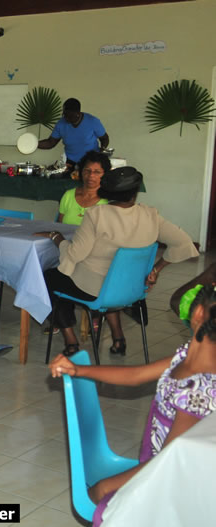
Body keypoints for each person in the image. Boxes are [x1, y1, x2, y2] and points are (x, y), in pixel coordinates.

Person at [48, 283, 216, 527]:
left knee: (108, 507)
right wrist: (80, 370)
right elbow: (137, 374)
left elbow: (168, 467)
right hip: (154, 465)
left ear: (199, 313)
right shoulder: (185, 357)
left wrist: (109, 485)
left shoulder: (198, 390)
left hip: (165, 485)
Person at [39, 166, 199, 356]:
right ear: (135, 193)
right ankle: (118, 338)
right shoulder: (151, 215)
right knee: (106, 277)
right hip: (133, 290)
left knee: (50, 276)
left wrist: (56, 237)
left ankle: (71, 341)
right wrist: (156, 269)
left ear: (107, 192)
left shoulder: (96, 215)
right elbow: (184, 242)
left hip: (96, 289)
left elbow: (74, 254)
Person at [38, 98, 109, 168]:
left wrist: (101, 152)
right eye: (65, 114)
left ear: (78, 113)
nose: (67, 118)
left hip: (90, 162)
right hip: (71, 163)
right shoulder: (61, 124)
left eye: (70, 116)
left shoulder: (92, 121)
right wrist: (33, 144)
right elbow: (50, 143)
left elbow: (105, 138)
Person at [57, 151, 110, 225]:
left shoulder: (108, 202)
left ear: (105, 175)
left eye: (97, 172)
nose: (91, 175)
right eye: (87, 170)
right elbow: (60, 226)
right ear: (81, 172)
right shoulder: (68, 195)